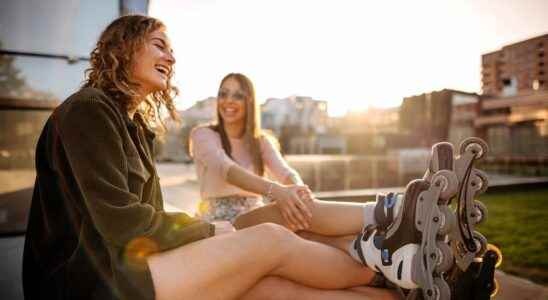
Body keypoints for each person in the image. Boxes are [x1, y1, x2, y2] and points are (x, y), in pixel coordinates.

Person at [22, 14, 403, 300]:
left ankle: (396, 290)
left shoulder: (132, 125)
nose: (170, 57)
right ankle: (383, 269)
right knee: (270, 238)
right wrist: (206, 230)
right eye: (159, 44)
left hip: (126, 265)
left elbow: (140, 219)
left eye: (170, 50)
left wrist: (289, 189)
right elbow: (122, 222)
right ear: (124, 48)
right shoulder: (88, 111)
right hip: (88, 282)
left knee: (269, 287)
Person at [189, 73, 313, 230]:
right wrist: (277, 191)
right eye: (223, 94)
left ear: (250, 102)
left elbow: (286, 172)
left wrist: (300, 191)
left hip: (256, 215)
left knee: (305, 215)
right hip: (221, 221)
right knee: (298, 216)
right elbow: (228, 171)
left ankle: (350, 244)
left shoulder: (261, 141)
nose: (229, 100)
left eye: (238, 96)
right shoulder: (203, 134)